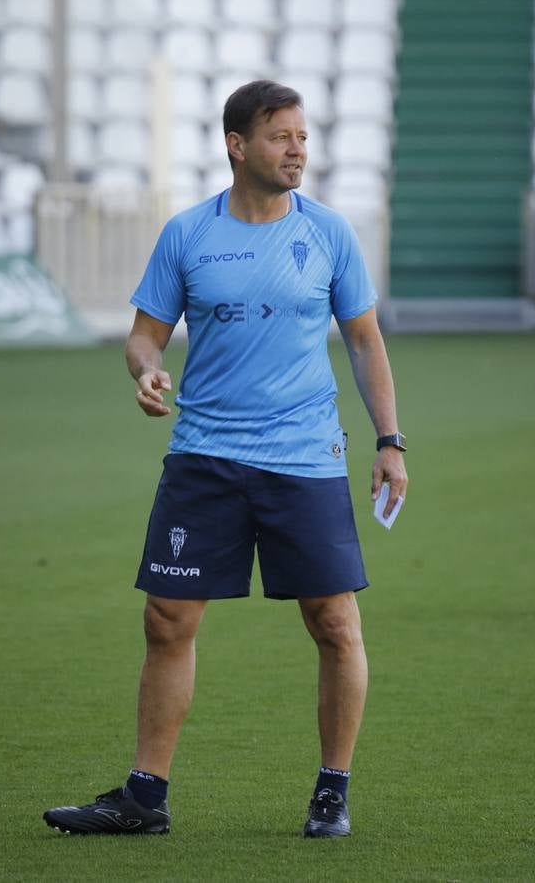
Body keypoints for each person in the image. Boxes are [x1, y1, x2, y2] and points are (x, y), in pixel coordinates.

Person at [43, 80, 408, 840]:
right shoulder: (186, 234)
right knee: (167, 620)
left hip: (304, 458)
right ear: (237, 146)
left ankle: (332, 790)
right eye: (281, 137)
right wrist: (144, 369)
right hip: (204, 456)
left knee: (335, 622)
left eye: (303, 137)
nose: (298, 149)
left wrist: (390, 441)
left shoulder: (330, 234)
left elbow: (366, 341)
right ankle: (145, 796)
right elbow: (145, 333)